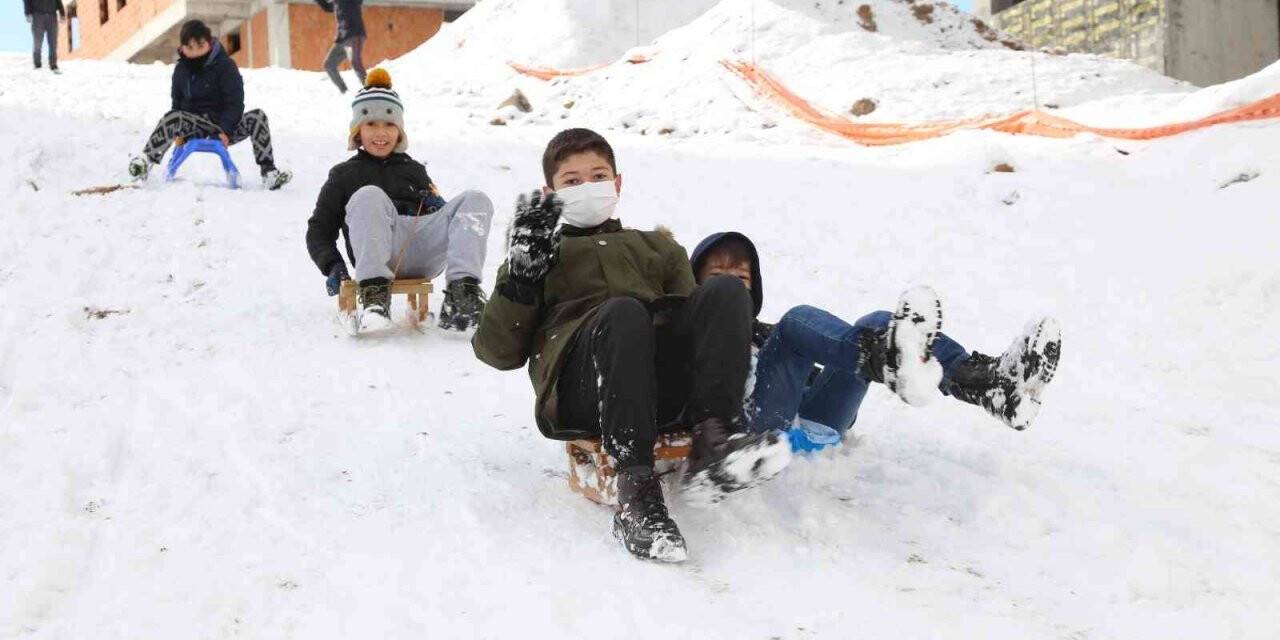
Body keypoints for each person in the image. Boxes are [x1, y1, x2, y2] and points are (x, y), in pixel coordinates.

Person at [470, 128, 791, 563]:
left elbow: (700, 317)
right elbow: (496, 352)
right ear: (551, 194)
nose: (588, 188)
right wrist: (523, 278)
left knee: (725, 290)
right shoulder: (540, 257)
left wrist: (747, 327)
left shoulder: (657, 247)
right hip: (585, 391)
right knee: (622, 313)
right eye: (572, 181)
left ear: (617, 183)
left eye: (598, 176)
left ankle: (714, 441)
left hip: (661, 382)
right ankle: (637, 492)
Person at [690, 232, 1062, 444]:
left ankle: (989, 384)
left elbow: (811, 377)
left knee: (878, 322)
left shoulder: (764, 335)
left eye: (741, 276)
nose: (733, 282)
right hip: (750, 431)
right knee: (796, 322)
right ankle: (885, 358)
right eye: (718, 277)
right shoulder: (693, 336)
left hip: (814, 424)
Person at [306, 69, 494, 333]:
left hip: (422, 249)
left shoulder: (414, 170)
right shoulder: (343, 175)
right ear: (358, 130)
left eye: (389, 124)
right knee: (369, 195)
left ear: (400, 130)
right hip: (377, 253)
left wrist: (436, 205)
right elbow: (319, 230)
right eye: (371, 123)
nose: (380, 133)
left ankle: (462, 294)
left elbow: (442, 216)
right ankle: (374, 297)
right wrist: (333, 265)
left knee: (476, 199)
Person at [127, 20, 291, 190]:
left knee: (258, 117)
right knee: (173, 116)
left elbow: (234, 103)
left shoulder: (225, 66)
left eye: (200, 45)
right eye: (190, 48)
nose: (196, 52)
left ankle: (269, 172)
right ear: (182, 48)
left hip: (222, 126)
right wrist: (180, 135)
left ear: (210, 43)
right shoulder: (180, 71)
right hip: (194, 125)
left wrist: (226, 130)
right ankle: (146, 162)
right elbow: (177, 104)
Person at [315, 0, 367, 94]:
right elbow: (327, 7)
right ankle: (345, 93)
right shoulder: (336, 2)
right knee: (329, 65)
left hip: (354, 35)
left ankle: (371, 90)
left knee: (356, 63)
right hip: (342, 39)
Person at [24, 0, 64, 73]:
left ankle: (53, 64)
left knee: (53, 42)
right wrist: (27, 13)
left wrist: (62, 13)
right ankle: (37, 63)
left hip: (52, 15)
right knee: (38, 41)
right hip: (38, 15)